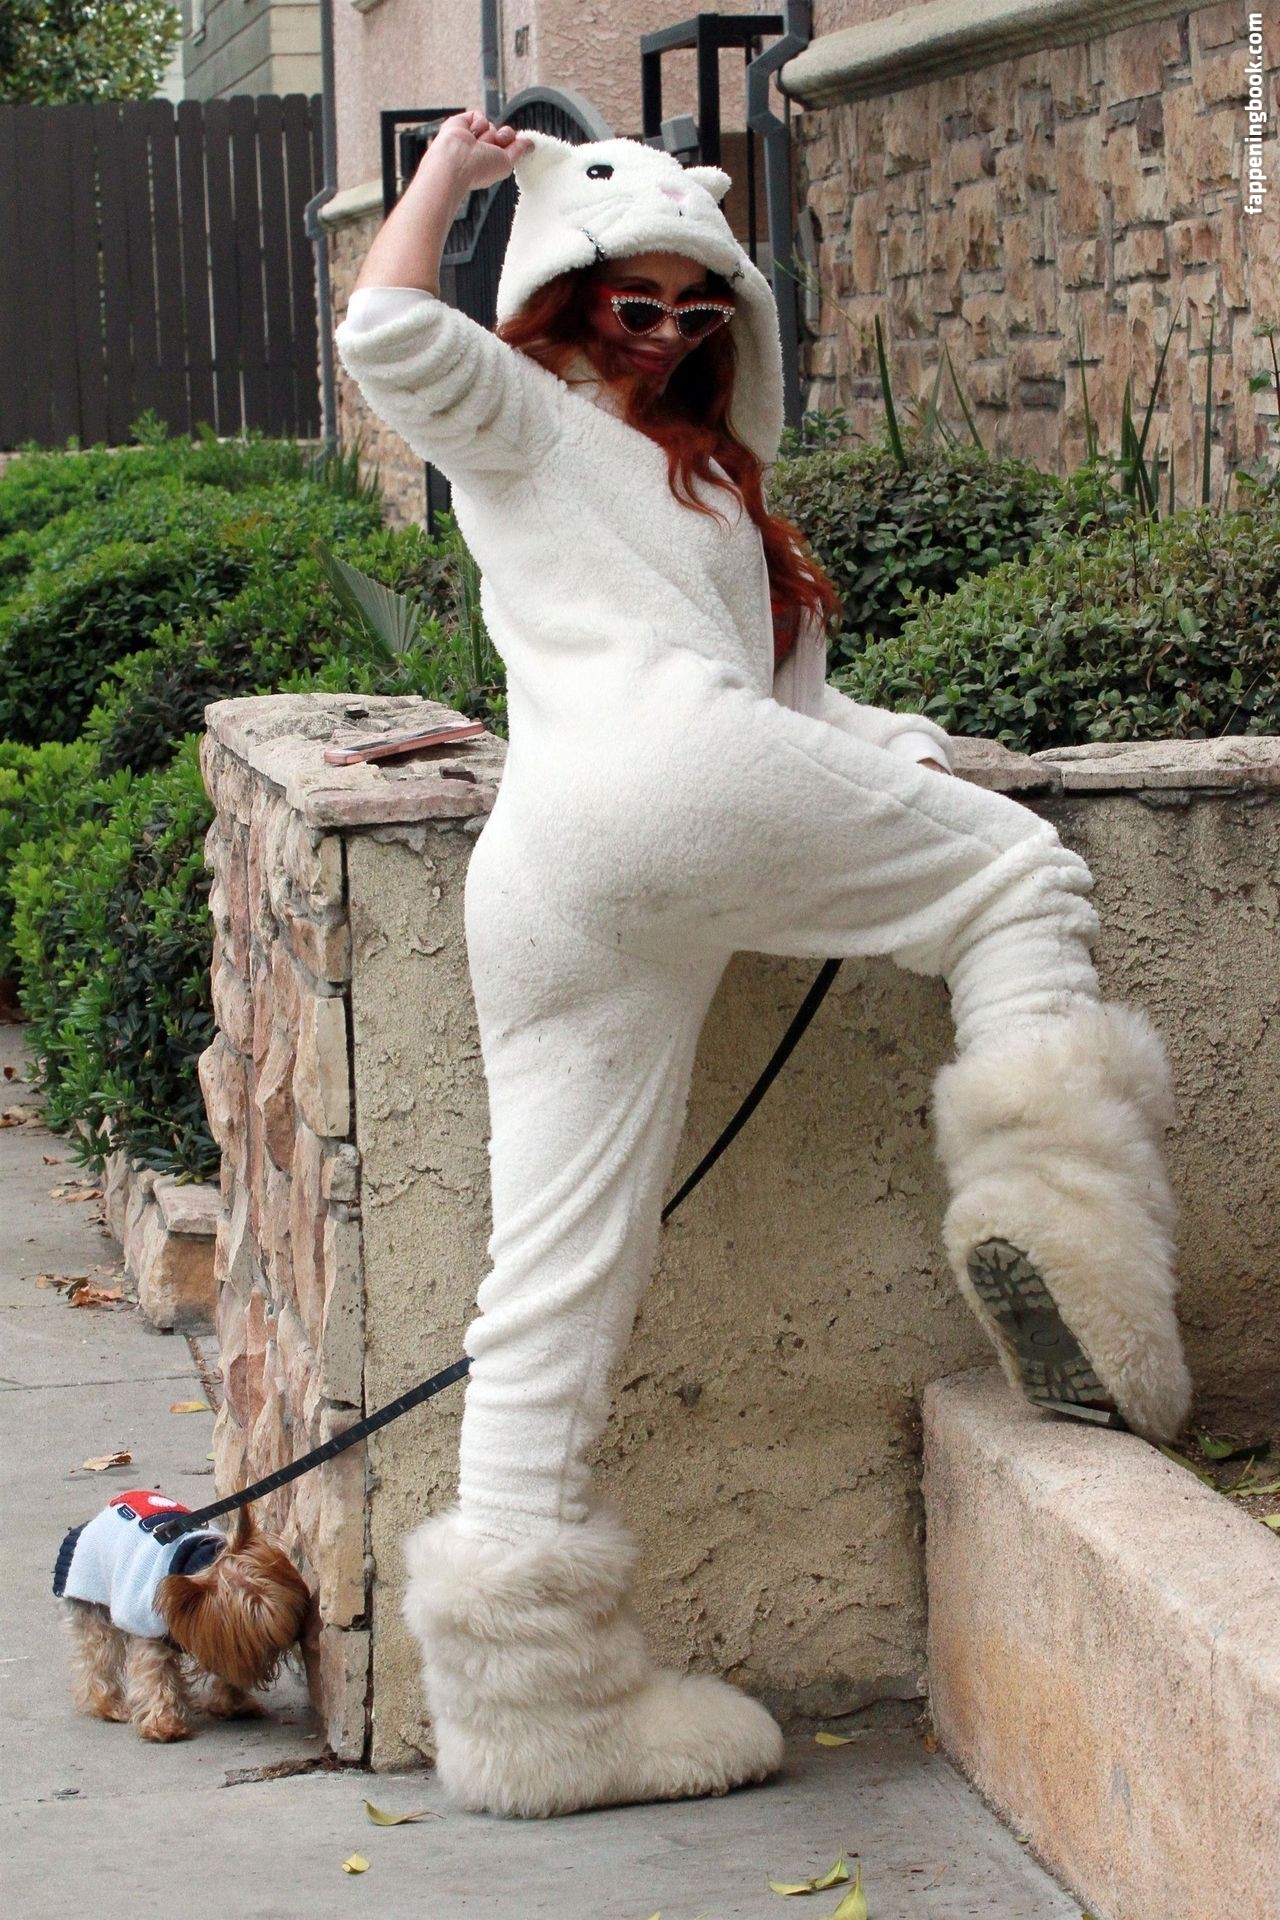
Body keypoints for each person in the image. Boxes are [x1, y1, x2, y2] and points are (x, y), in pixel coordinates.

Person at [334, 112, 1192, 1820]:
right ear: (562, 298)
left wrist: (899, 751)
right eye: (627, 303)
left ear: (733, 315)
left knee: (554, 1275)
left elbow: (794, 710)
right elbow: (385, 331)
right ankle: (1066, 1250)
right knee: (1017, 874)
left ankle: (534, 1722)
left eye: (695, 306)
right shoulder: (525, 411)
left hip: (557, 869)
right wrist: (448, 176)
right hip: (667, 799)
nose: (661, 333)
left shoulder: (709, 481)